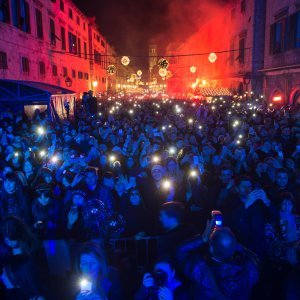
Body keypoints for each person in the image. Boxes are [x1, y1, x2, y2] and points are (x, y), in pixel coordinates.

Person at [176, 221, 259, 299]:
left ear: (211, 248)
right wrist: (230, 239)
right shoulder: (250, 267)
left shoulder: (202, 270)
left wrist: (203, 239)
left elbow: (180, 251)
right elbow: (252, 256)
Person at [1, 216, 47, 299]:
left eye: (11, 238)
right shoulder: (7, 252)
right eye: (6, 238)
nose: (8, 241)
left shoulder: (32, 253)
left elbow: (40, 277)